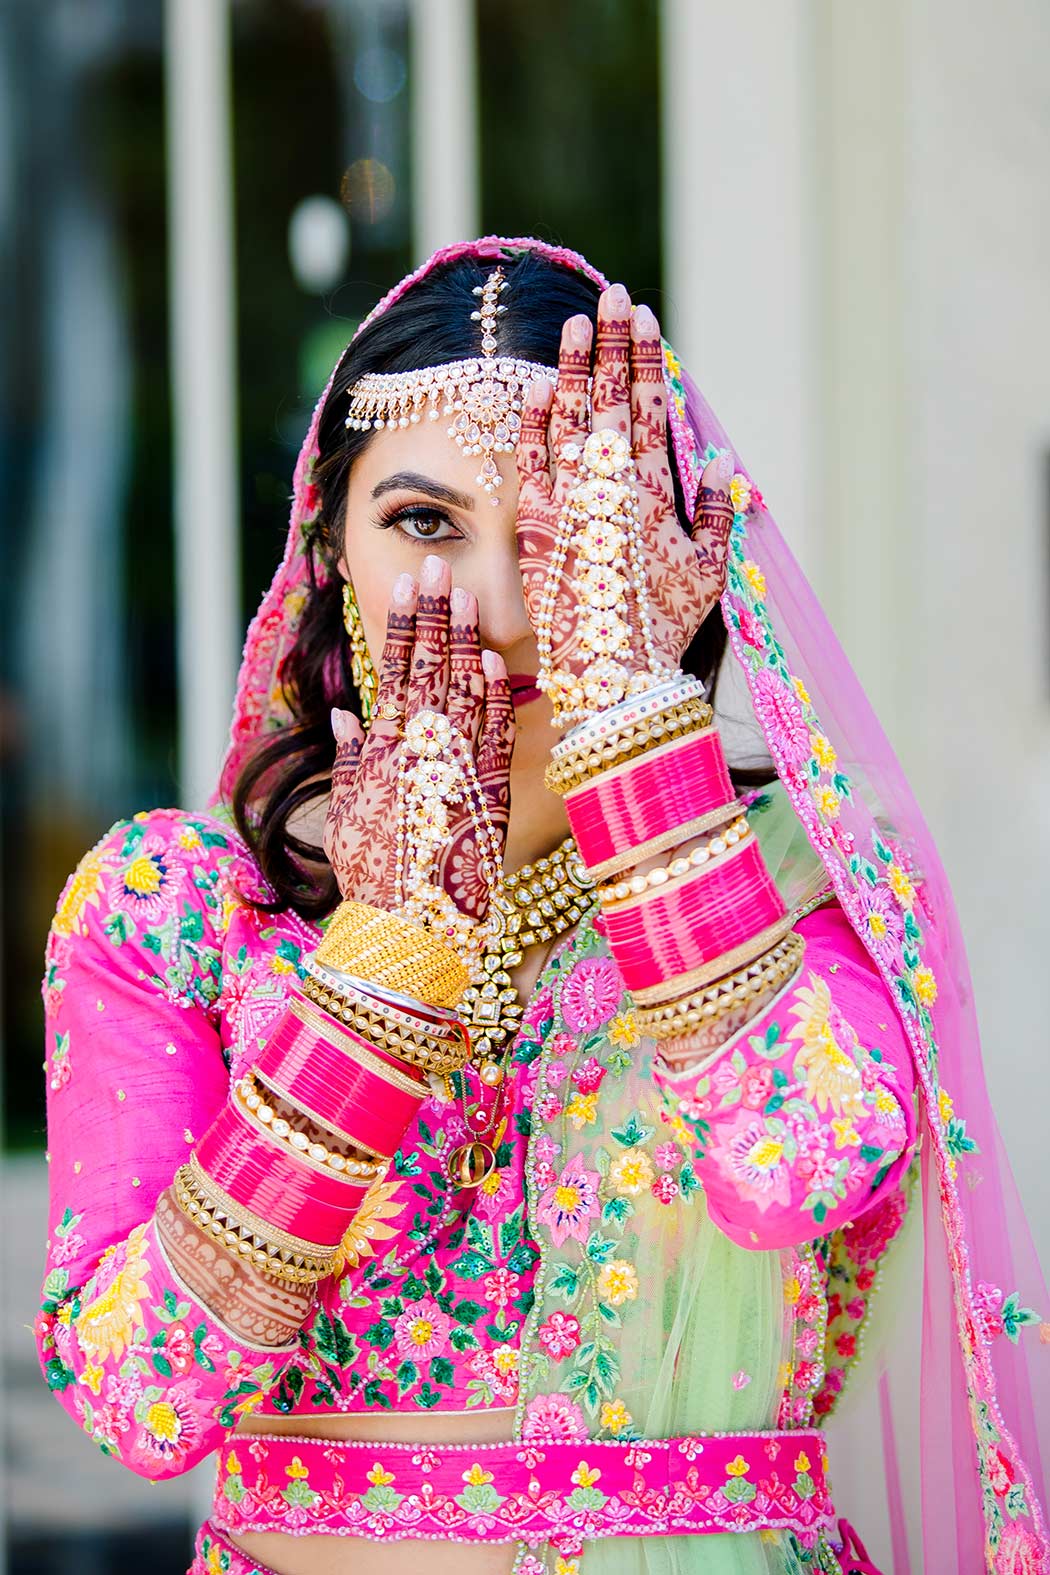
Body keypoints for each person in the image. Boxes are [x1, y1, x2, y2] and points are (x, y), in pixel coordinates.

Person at [35, 236, 1049, 1575]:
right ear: (328, 545)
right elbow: (140, 1395)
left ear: (669, 567)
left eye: (568, 537)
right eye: (421, 523)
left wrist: (633, 738)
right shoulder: (178, 910)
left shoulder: (806, 888)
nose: (502, 606)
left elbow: (804, 1161)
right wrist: (382, 970)